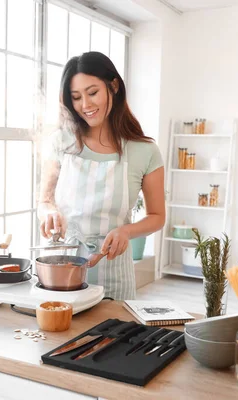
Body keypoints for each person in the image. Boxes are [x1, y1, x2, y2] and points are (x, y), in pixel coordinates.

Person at [37, 51, 166, 300]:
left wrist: (126, 231)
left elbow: (157, 217)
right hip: (61, 271)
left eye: (93, 92)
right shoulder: (60, 141)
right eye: (76, 97)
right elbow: (45, 201)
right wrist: (49, 213)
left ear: (114, 86)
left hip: (115, 276)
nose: (85, 105)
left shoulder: (144, 151)